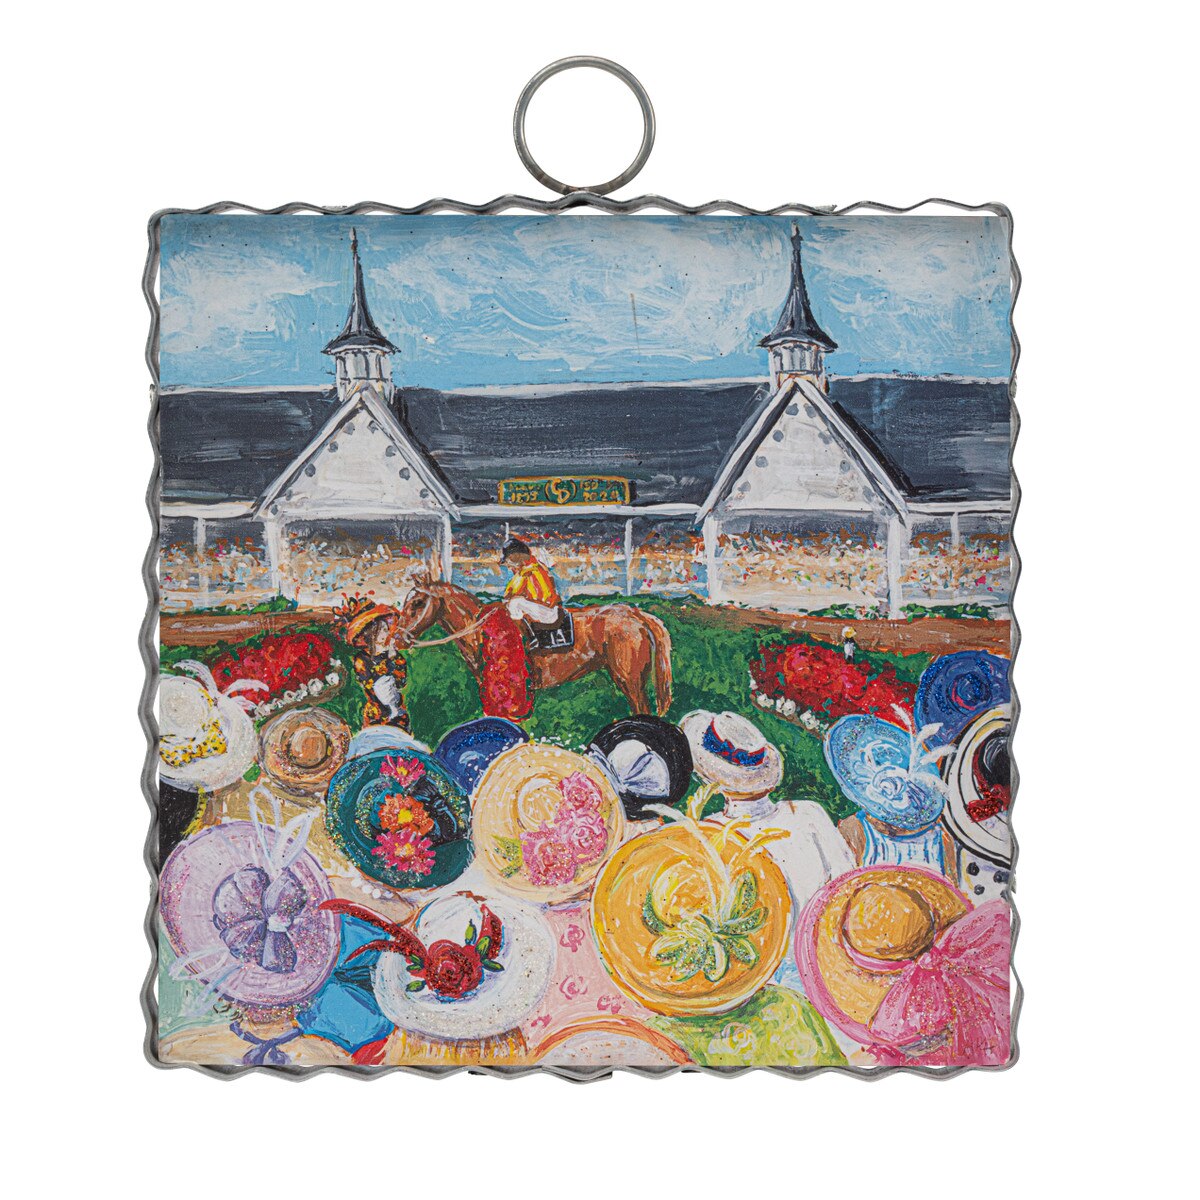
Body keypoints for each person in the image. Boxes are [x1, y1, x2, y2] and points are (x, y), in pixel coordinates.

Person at [501, 538, 561, 625]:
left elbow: (510, 594)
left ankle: (517, 626)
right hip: (549, 611)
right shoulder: (536, 565)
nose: (508, 563)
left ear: (516, 555)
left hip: (547, 613)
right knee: (513, 602)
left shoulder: (528, 571)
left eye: (509, 558)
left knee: (514, 601)